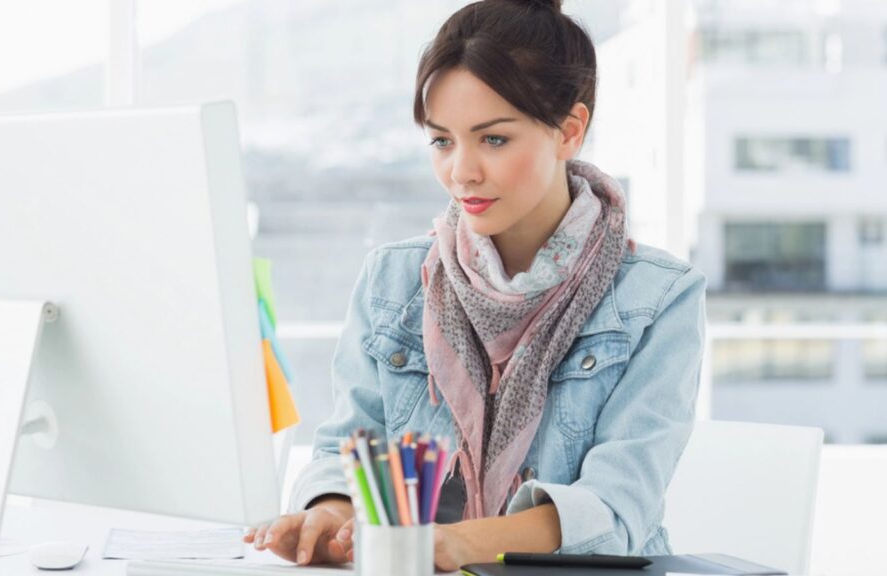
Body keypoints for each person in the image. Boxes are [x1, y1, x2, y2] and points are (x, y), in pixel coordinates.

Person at [244, 0, 706, 571]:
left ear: (569, 130)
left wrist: (457, 542)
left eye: (492, 140)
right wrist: (332, 516)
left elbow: (618, 510)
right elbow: (347, 451)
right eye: (442, 141)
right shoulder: (392, 281)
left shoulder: (658, 300)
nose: (461, 172)